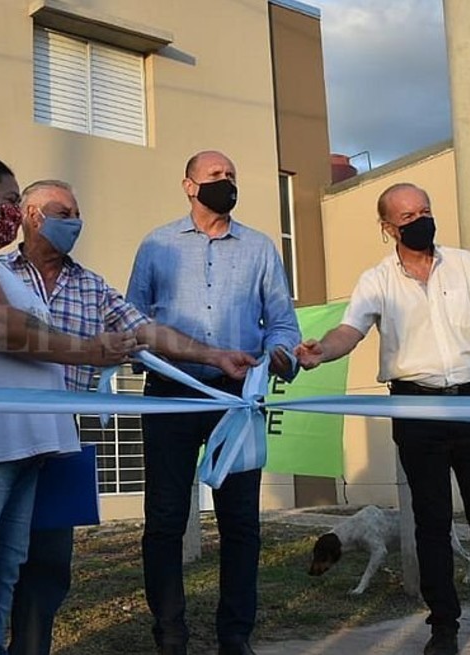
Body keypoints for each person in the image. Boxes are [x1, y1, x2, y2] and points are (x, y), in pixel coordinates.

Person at [294, 182, 470, 655]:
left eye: (425, 211)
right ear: (387, 227)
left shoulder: (465, 264)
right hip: (415, 408)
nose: (420, 221)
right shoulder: (377, 279)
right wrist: (320, 353)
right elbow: (349, 331)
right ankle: (444, 631)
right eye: (408, 216)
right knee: (431, 524)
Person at [4, 178, 257, 655]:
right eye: (65, 212)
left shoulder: (92, 286)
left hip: (63, 437)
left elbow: (149, 332)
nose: (75, 221)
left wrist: (216, 355)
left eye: (78, 212)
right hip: (2, 434)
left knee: (49, 566)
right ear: (32, 216)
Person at [0, 158, 136, 655]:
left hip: (30, 443)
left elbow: (129, 327)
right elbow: (3, 328)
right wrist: (86, 349)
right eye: (11, 200)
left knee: (4, 569)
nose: (15, 212)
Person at [126, 150, 302, 655]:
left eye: (231, 175)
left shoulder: (260, 248)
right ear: (188, 186)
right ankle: (171, 634)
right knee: (164, 518)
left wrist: (280, 357)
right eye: (215, 176)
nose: (226, 182)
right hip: (170, 396)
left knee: (241, 521)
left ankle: (235, 636)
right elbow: (133, 320)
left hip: (237, 399)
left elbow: (282, 323)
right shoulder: (156, 245)